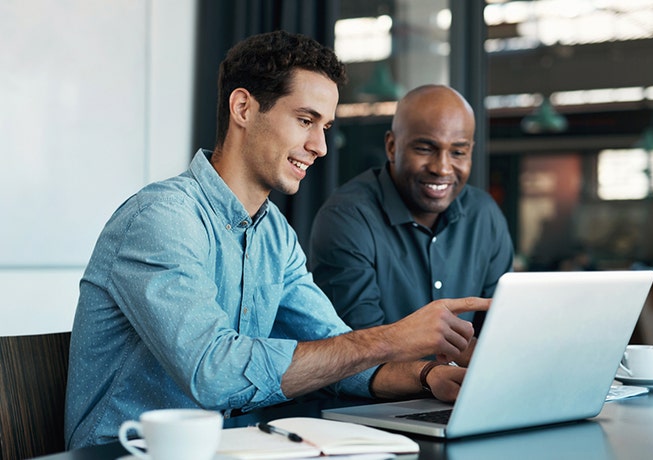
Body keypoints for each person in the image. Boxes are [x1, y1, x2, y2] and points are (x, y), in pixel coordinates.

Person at [64, 31, 489, 449]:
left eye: (325, 126)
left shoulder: (274, 235)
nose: (320, 146)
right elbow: (215, 374)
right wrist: (391, 337)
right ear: (244, 108)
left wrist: (427, 376)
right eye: (305, 120)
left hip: (233, 448)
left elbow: (339, 356)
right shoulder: (162, 219)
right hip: (125, 452)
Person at [308, 84, 514, 343]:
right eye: (425, 149)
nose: (442, 168)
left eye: (458, 152)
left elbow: (501, 330)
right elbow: (358, 349)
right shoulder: (347, 218)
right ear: (392, 147)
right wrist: (435, 375)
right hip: (382, 382)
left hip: (467, 383)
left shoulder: (484, 215)